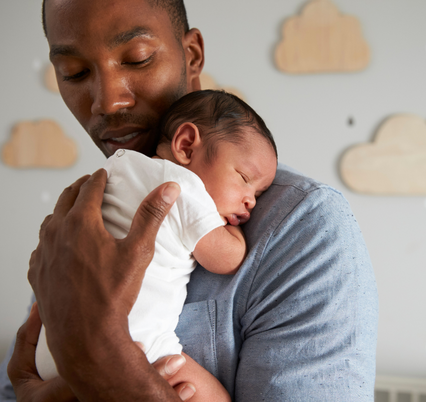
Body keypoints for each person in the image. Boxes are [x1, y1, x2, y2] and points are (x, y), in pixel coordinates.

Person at [0, 0, 379, 400]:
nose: (108, 101)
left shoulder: (304, 227)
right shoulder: (83, 216)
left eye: (138, 59)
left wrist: (109, 367)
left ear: (192, 55)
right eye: (74, 73)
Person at [35, 89, 278, 396]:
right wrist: (233, 232)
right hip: (135, 345)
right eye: (244, 178)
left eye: (258, 195)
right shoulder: (184, 187)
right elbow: (227, 259)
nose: (250, 202)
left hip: (51, 350)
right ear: (186, 145)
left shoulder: (117, 168)